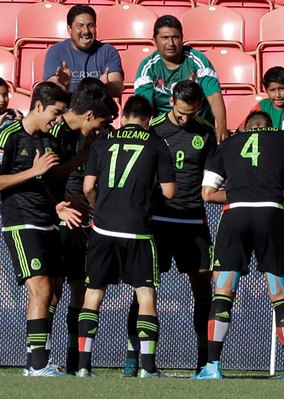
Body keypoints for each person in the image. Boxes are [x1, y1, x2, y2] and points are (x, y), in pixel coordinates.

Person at [192, 111, 284, 381]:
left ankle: (212, 366)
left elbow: (207, 193)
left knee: (223, 291)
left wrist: (238, 193)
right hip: (270, 211)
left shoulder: (227, 144)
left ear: (245, 127)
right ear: (269, 127)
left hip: (235, 212)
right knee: (280, 293)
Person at [76, 95, 177, 378]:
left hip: (103, 228)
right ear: (149, 120)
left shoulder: (103, 141)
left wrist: (101, 206)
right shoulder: (156, 143)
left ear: (123, 117)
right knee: (145, 294)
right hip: (138, 230)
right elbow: (169, 192)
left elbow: (87, 187)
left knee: (93, 293)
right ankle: (147, 368)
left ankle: (84, 366)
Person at [122, 80, 216, 376]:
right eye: (180, 112)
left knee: (203, 291)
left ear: (199, 106)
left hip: (193, 220)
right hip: (158, 221)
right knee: (145, 290)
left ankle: (204, 359)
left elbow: (211, 177)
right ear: (172, 102)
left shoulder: (206, 132)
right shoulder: (155, 129)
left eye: (191, 113)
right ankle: (133, 356)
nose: (185, 118)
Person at [0, 82, 80, 377]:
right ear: (38, 106)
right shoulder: (8, 135)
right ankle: (35, 365)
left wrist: (58, 205)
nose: (57, 119)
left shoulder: (47, 141)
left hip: (46, 220)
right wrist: (33, 171)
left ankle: (41, 359)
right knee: (39, 288)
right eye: (55, 112)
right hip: (21, 221)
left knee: (53, 291)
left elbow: (42, 184)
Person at [47, 78, 119, 375]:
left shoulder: (100, 136)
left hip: (86, 214)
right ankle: (43, 358)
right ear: (90, 110)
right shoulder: (56, 132)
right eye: (101, 120)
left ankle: (75, 362)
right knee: (51, 289)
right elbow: (43, 178)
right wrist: (59, 206)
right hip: (63, 214)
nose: (102, 127)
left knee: (80, 287)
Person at [134, 15, 228, 143]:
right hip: (165, 131)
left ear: (182, 38)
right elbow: (145, 107)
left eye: (175, 37)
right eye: (165, 38)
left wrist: (221, 126)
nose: (171, 43)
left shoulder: (198, 60)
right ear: (155, 40)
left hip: (200, 128)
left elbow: (214, 95)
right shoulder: (147, 67)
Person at [43, 5, 123, 98]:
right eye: (80, 26)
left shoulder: (108, 52)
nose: (86, 31)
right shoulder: (56, 51)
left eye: (90, 25)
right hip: (67, 110)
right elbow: (51, 92)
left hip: (98, 110)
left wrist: (105, 86)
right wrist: (64, 86)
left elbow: (117, 89)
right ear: (69, 29)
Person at [243, 67, 284, 131]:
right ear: (266, 91)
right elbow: (244, 127)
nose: (277, 95)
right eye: (272, 90)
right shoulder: (262, 105)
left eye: (282, 89)